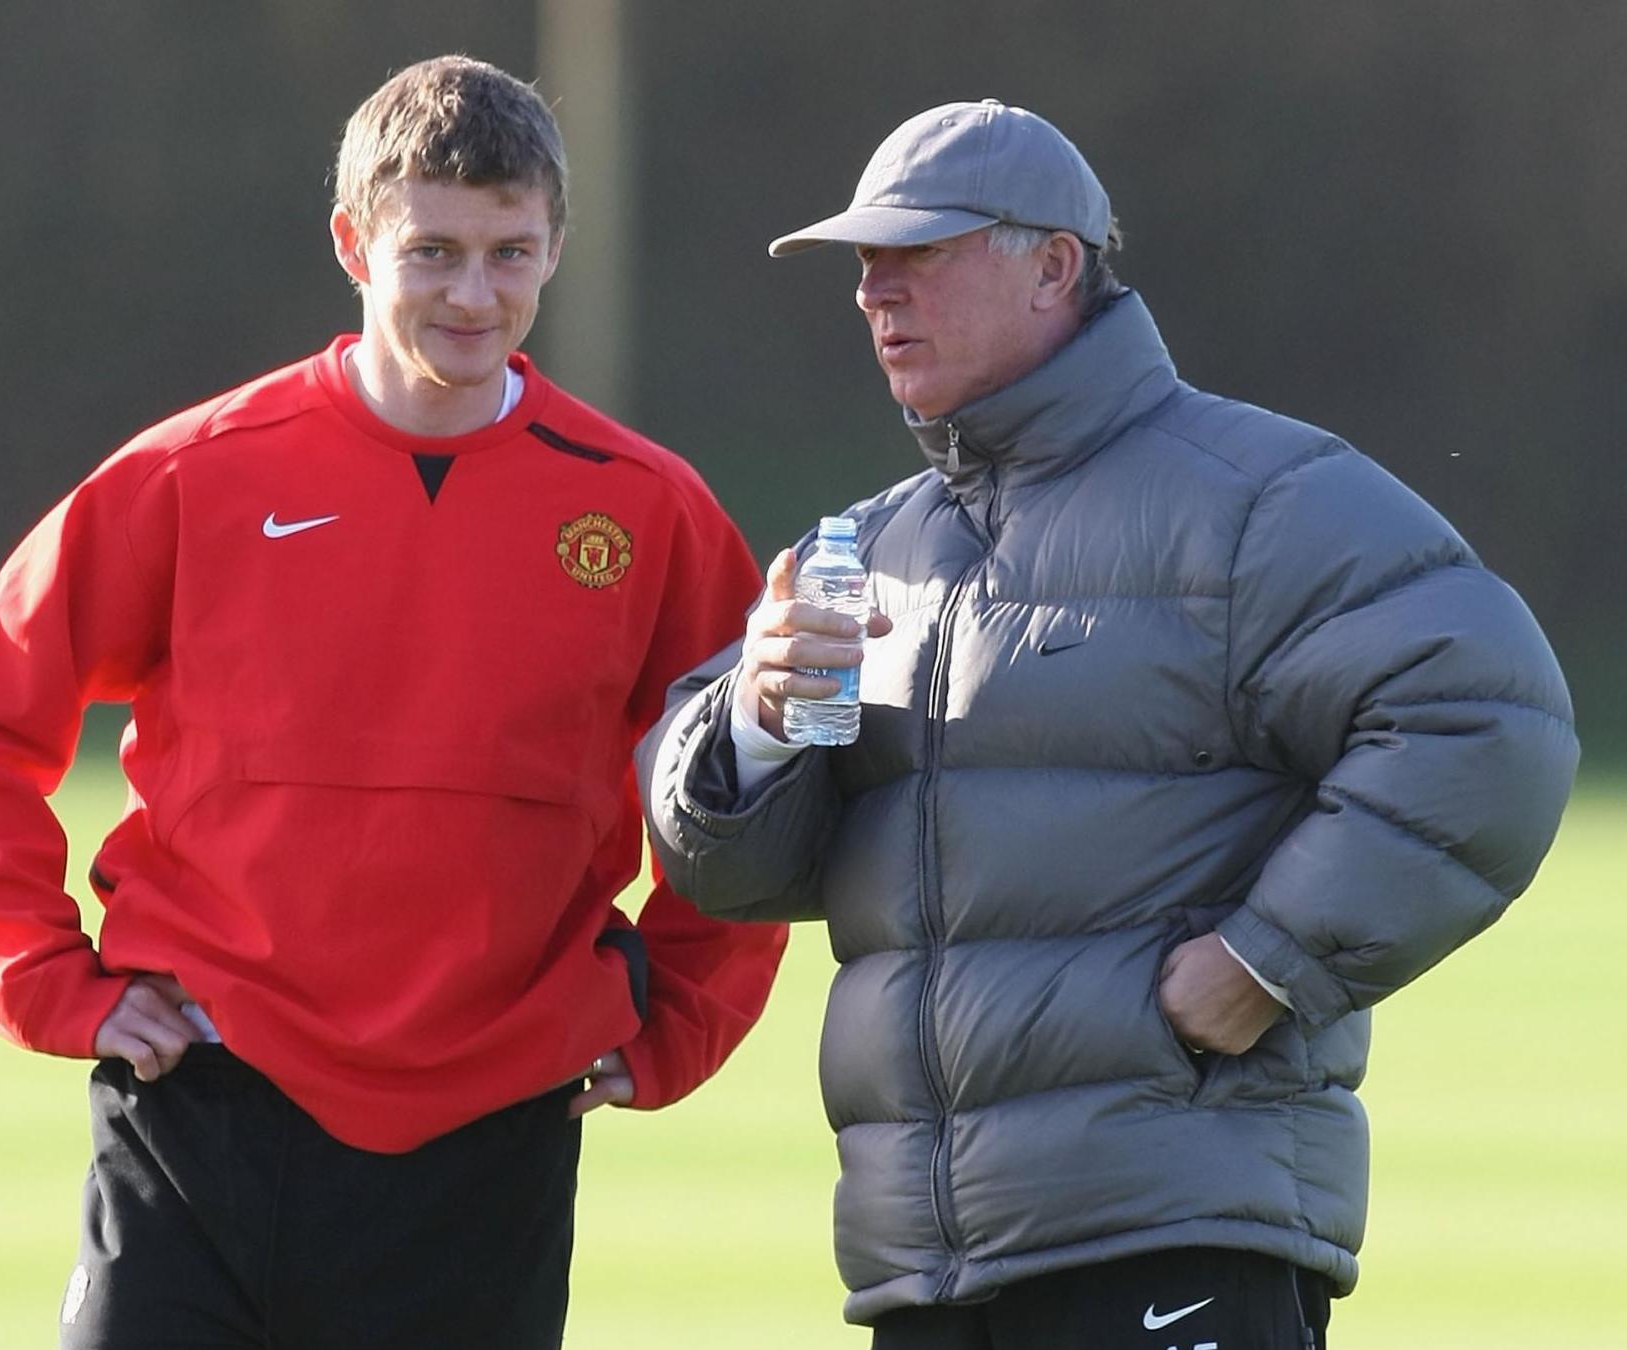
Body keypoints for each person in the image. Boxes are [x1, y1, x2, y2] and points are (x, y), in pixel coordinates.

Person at [639, 99, 1577, 1349]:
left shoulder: (1257, 499)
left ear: (1052, 266)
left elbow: (1489, 722)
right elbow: (727, 868)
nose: (874, 292)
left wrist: (1263, 961)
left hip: (1175, 1228)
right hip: (925, 1268)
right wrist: (752, 723)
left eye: (914, 254)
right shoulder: (874, 549)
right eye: (862, 266)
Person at [0, 55, 784, 1349]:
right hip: (204, 1100)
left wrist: (679, 1017)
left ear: (553, 249)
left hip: (489, 1135)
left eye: (509, 252)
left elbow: (747, 788)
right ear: (352, 242)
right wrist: (50, 978)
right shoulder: (194, 476)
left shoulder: (646, 509)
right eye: (432, 251)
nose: (473, 292)